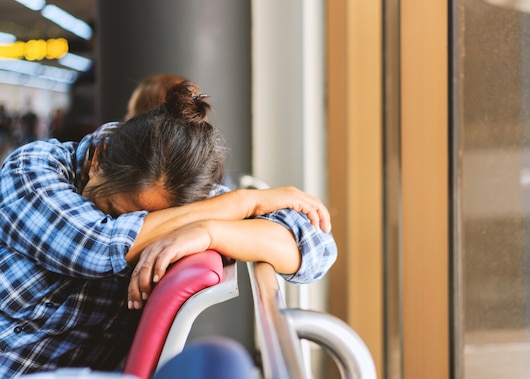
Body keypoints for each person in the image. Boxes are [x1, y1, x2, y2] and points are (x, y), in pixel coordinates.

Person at [0, 81, 337, 377]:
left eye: (161, 222)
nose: (153, 228)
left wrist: (210, 231)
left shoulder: (189, 206)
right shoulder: (31, 169)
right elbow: (99, 245)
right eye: (114, 210)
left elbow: (316, 249)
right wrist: (242, 203)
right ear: (98, 159)